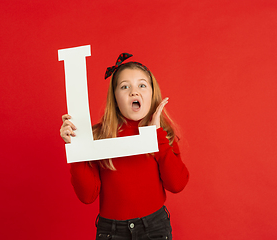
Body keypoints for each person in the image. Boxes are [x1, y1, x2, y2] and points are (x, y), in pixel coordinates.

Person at [60, 53, 189, 240]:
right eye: (125, 86)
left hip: (154, 228)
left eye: (142, 85)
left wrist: (157, 137)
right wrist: (77, 147)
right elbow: (87, 196)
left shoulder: (163, 135)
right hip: (112, 232)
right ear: (115, 97)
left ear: (152, 93)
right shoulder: (97, 136)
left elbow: (177, 184)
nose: (134, 92)